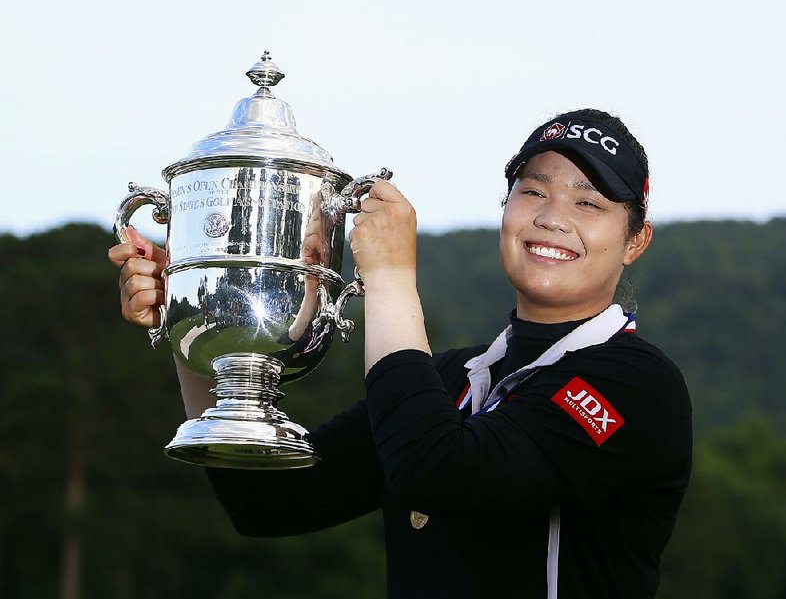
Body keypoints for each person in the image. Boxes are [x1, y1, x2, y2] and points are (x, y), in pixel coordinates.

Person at [109, 108, 692, 598]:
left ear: (635, 240)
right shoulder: (450, 379)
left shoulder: (635, 384)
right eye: (533, 191)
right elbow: (264, 503)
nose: (551, 217)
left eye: (588, 204)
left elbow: (439, 473)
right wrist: (200, 321)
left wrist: (388, 277)